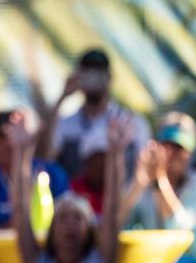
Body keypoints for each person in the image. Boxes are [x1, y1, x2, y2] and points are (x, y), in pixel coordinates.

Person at [7, 112, 126, 263]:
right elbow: (20, 209)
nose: (70, 225)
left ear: (90, 229)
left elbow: (113, 209)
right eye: (62, 218)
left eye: (78, 218)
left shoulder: (102, 261)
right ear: (52, 229)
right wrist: (20, 151)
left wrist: (116, 152)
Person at [122, 112, 196, 263]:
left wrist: (160, 180)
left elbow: (180, 228)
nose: (173, 155)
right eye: (167, 146)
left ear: (190, 153)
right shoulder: (144, 182)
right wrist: (138, 184)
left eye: (180, 149)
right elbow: (121, 223)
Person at [37, 48, 151, 178]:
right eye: (87, 73)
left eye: (98, 73)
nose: (93, 79)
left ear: (110, 78)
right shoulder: (66, 124)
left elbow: (142, 172)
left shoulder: (133, 123)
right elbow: (43, 158)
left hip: (118, 196)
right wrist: (61, 98)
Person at [0, 111, 69, 236]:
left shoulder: (54, 173)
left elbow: (68, 221)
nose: (9, 142)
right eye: (1, 136)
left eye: (18, 133)